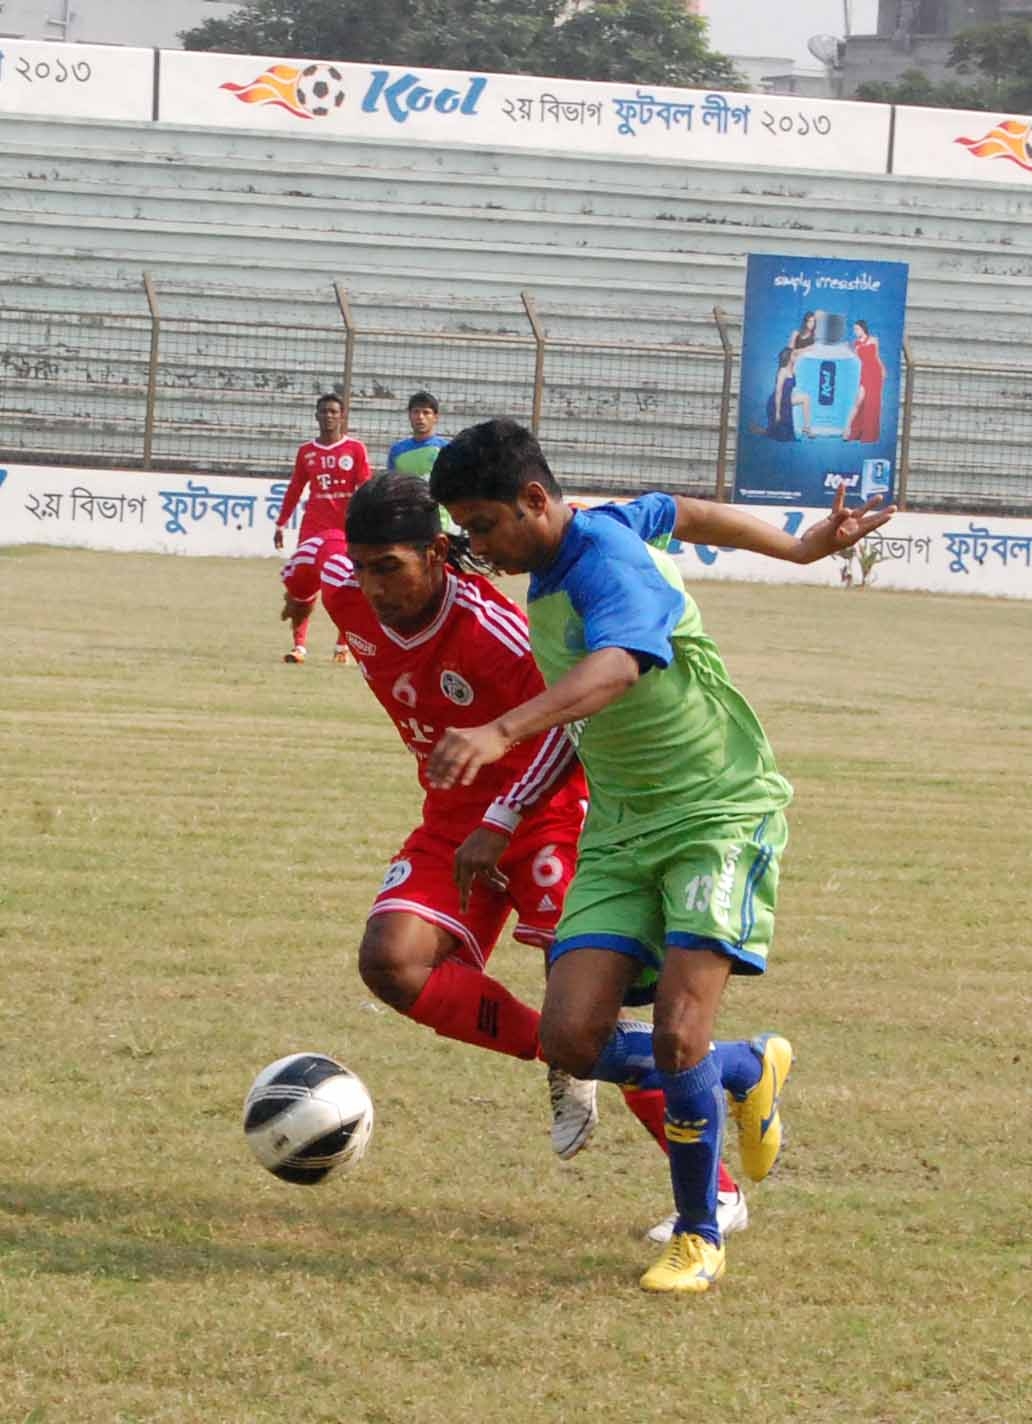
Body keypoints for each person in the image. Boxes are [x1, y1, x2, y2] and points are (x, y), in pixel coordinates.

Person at [426, 419, 895, 1293]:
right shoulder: (588, 533)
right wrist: (795, 548)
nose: (478, 546)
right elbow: (682, 510)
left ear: (534, 500)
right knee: (569, 1037)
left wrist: (497, 731)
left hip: (716, 811)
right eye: (465, 530)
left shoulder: (605, 567)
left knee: (680, 1039)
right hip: (621, 827)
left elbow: (617, 670)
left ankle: (698, 1233)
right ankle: (750, 1068)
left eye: (484, 525)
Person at [320, 472, 750, 1240]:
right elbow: (315, 567)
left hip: (549, 812)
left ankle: (717, 1191)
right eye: (361, 566)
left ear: (436, 555)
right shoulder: (345, 596)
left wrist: (505, 812)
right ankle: (564, 1063)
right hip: (453, 819)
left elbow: (565, 724)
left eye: (389, 566)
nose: (371, 586)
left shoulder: (495, 630)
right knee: (391, 961)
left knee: (588, 1005)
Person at [274, 393, 371, 664]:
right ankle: (299, 647)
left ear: (342, 416)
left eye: (333, 411)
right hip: (313, 530)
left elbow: (364, 488)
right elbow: (295, 488)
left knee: (345, 585)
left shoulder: (355, 449)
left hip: (345, 531)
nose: (328, 416)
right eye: (323, 411)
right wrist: (281, 522)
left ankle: (342, 645)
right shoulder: (307, 451)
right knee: (305, 587)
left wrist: (366, 523)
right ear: (316, 416)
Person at [386, 391, 450, 480]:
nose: (420, 417)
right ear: (409, 415)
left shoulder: (446, 450)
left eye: (426, 412)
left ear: (435, 417)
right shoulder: (397, 450)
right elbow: (390, 484)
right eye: (416, 412)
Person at [843, 319, 886, 444]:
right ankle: (848, 430)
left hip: (875, 373)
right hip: (864, 374)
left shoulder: (874, 340)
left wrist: (882, 369)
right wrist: (848, 349)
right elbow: (855, 360)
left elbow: (877, 356)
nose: (855, 331)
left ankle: (869, 433)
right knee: (858, 401)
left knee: (873, 403)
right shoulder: (856, 344)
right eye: (854, 329)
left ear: (863, 328)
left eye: (857, 329)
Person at [766, 347, 814, 441]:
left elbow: (799, 353)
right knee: (782, 435)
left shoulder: (792, 369)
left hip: (787, 399)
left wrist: (812, 348)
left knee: (806, 398)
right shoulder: (783, 371)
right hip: (776, 402)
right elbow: (778, 392)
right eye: (794, 355)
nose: (796, 357)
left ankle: (807, 427)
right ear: (789, 358)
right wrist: (777, 412)